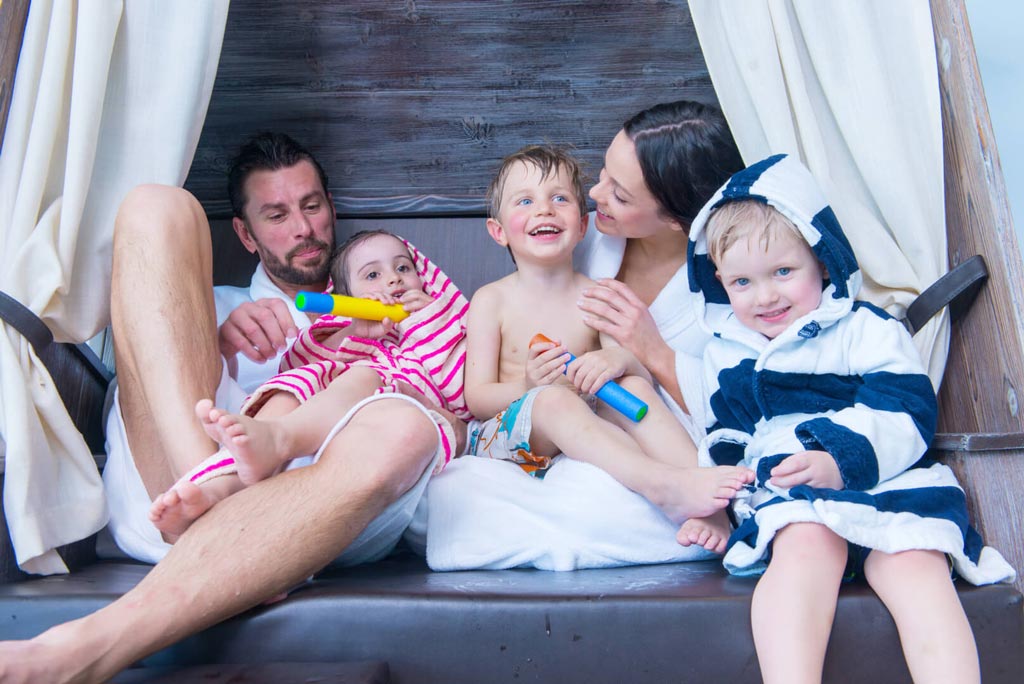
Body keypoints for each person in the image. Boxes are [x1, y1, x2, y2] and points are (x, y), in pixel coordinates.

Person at [0, 134, 464, 682]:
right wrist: (213, 343)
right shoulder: (209, 305)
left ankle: (91, 645)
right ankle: (218, 506)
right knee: (156, 204)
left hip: (325, 512)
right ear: (244, 232)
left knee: (407, 428)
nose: (302, 228)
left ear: (331, 208)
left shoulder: (406, 300)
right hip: (178, 491)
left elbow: (458, 386)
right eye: (276, 214)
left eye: (312, 206)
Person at [680, 153, 1014, 683]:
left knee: (914, 565)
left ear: (824, 261)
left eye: (783, 272)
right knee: (804, 551)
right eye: (742, 283)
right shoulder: (727, 351)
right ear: (719, 281)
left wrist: (841, 459)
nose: (765, 296)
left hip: (890, 483)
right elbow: (727, 437)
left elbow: (906, 409)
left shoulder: (867, 330)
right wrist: (718, 505)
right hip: (796, 498)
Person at [465, 144, 750, 521]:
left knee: (631, 389)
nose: (544, 209)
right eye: (524, 201)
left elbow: (639, 372)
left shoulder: (597, 295)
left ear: (583, 225)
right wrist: (527, 386)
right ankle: (661, 484)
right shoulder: (491, 300)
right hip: (507, 432)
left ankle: (712, 500)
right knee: (553, 400)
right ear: (498, 231)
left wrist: (617, 359)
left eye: (560, 198)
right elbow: (476, 398)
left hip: (583, 420)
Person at [148, 229, 470, 538]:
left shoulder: (441, 323)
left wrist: (431, 319)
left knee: (363, 376)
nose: (393, 278)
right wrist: (353, 332)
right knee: (295, 382)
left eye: (403, 267)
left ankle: (278, 440)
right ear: (346, 296)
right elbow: (297, 361)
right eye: (372, 275)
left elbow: (458, 395)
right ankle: (220, 484)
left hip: (393, 425)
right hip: (324, 420)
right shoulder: (342, 326)